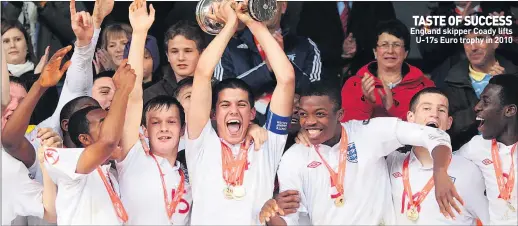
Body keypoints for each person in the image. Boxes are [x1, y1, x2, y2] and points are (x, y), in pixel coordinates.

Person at [259, 82, 459, 225]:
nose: (309, 122)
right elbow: (291, 220)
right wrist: (272, 214)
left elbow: (434, 136)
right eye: (303, 114)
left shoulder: (369, 132)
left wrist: (440, 171)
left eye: (320, 114)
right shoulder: (293, 158)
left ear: (340, 115)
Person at [186, 0, 294, 224]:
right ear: (213, 115)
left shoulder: (267, 143)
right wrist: (230, 25)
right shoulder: (201, 141)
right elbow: (203, 74)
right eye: (225, 105)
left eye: (242, 105)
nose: (233, 110)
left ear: (252, 113)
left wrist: (252, 22)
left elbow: (286, 79)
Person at [43, 59, 136, 225]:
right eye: (104, 125)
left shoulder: (112, 173)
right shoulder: (65, 160)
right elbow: (108, 142)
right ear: (84, 139)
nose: (114, 130)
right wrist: (122, 90)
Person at [386, 87, 489, 224]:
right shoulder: (392, 163)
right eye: (426, 108)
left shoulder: (468, 170)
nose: (434, 114)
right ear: (410, 117)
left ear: (449, 122)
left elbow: (493, 220)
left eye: (441, 110)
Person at [2, 45, 71, 225]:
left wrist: (46, 164)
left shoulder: (9, 166)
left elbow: (50, 212)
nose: (15, 107)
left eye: (23, 103)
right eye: (7, 101)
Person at [215, 1, 319, 95]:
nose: (263, 6)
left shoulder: (305, 46)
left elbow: (317, 94)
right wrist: (267, 67)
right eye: (257, 2)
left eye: (270, 2)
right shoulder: (228, 48)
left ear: (283, 6)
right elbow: (221, 96)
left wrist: (282, 62)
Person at [340, 19, 434, 123]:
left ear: (406, 53)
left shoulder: (424, 87)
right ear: (375, 51)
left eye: (396, 45)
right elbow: (348, 129)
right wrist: (367, 103)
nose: (390, 51)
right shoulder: (354, 84)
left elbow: (427, 130)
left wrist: (391, 108)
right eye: (384, 45)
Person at [455, 74, 518, 225]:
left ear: (509, 111)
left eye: (486, 101)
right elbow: (444, 165)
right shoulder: (475, 146)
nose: (477, 107)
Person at [444, 23, 517, 150]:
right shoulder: (453, 81)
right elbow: (449, 127)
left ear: (495, 42)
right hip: (470, 155)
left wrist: (508, 86)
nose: (473, 47)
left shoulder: (514, 75)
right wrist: (481, 109)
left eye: (479, 38)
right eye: (467, 41)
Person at [2, 19, 59, 125]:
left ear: (27, 45)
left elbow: (47, 117)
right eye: (6, 41)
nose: (12, 45)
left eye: (17, 39)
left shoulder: (43, 73)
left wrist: (37, 78)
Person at [143, 20, 205, 104]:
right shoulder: (151, 95)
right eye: (174, 51)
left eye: (188, 51)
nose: (181, 58)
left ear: (201, 54)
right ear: (167, 56)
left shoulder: (216, 89)